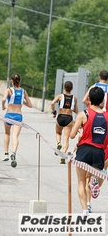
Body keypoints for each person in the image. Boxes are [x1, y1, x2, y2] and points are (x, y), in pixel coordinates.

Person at [69, 87, 108, 217]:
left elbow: (72, 135)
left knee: (80, 181)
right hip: (99, 152)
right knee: (90, 177)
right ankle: (94, 180)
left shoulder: (83, 114)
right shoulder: (107, 116)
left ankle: (85, 211)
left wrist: (80, 130)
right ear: (102, 100)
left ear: (89, 99)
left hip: (84, 150)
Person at [1, 73, 32, 167]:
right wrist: (22, 100)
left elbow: (3, 99)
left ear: (11, 81)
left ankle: (6, 154)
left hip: (9, 115)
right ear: (20, 81)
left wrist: (3, 106)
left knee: (7, 133)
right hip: (18, 116)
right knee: (15, 136)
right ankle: (13, 153)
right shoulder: (23, 91)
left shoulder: (9, 90)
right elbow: (30, 105)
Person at [50, 81, 78, 164]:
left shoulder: (60, 96)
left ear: (64, 88)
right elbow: (76, 111)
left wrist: (54, 112)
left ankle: (58, 143)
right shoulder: (74, 98)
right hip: (69, 119)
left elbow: (52, 103)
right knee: (66, 139)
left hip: (60, 117)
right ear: (72, 88)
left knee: (58, 133)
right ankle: (63, 155)